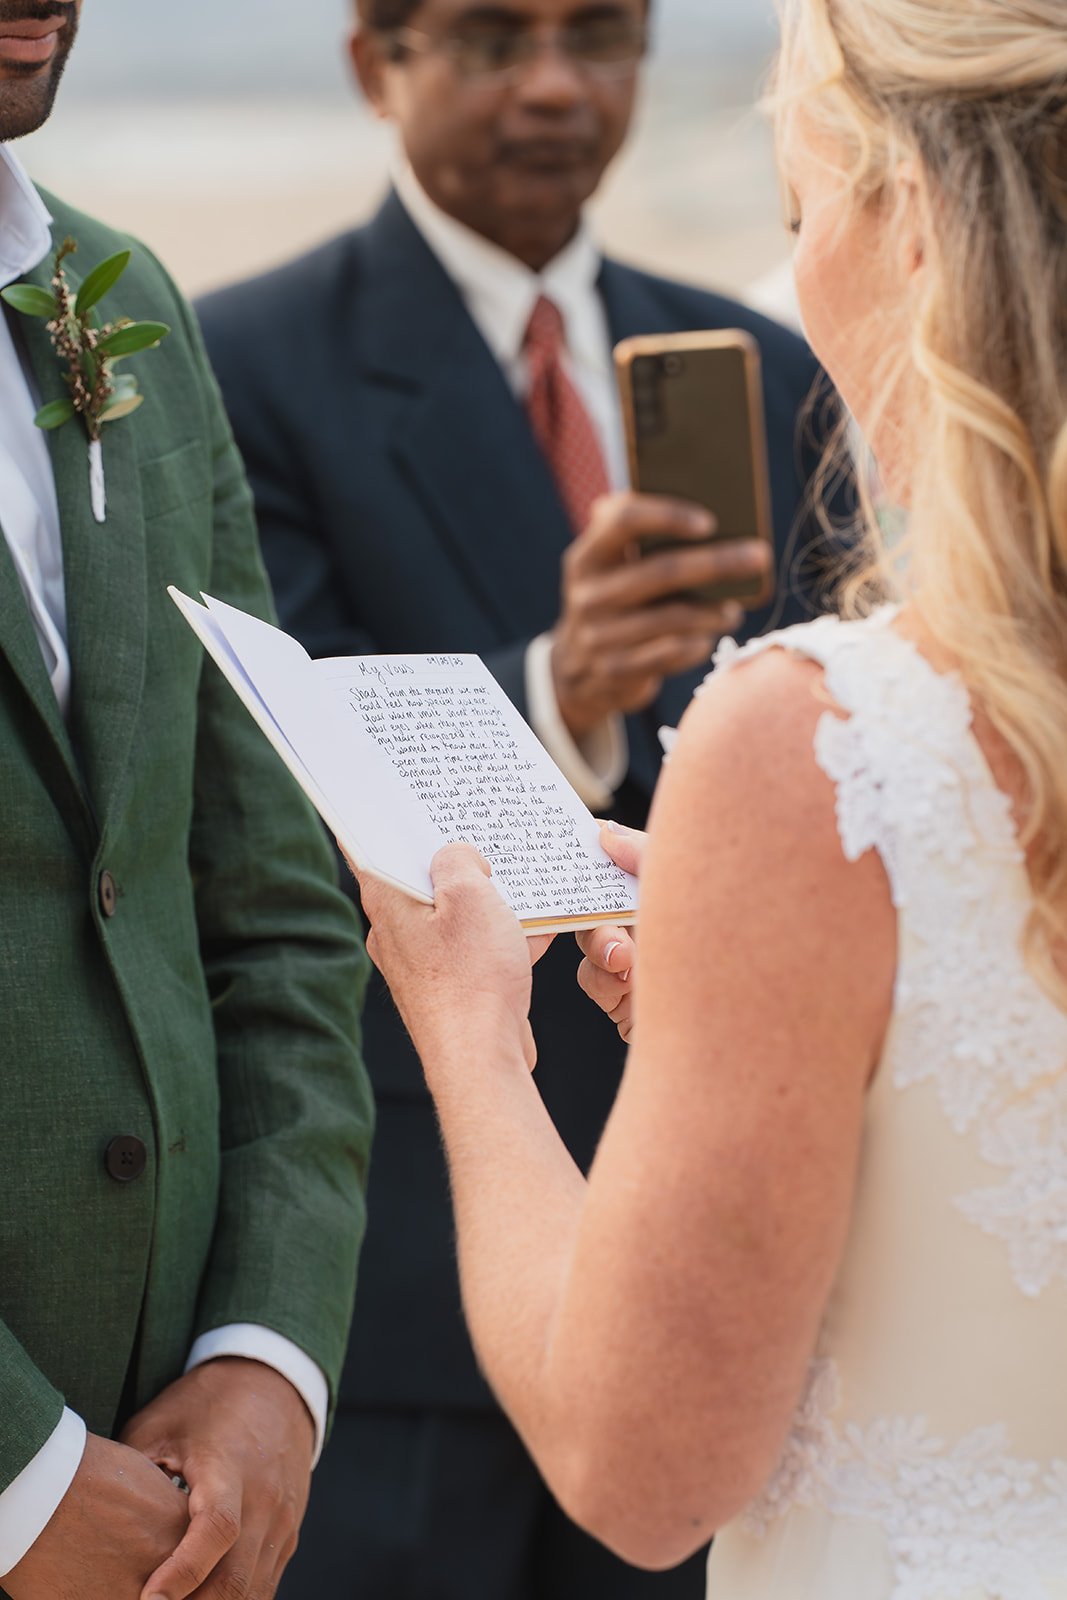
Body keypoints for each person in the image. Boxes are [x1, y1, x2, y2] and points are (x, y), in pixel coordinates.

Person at [351, 0, 1067, 1595]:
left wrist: (470, 1030)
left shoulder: (819, 737)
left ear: (907, 229)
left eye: (803, 215)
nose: (795, 276)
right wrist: (767, 991)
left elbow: (644, 1471)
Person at [197, 1, 840, 1593]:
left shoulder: (766, 362)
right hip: (406, 1270)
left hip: (717, 1240)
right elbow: (272, 794)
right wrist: (564, 687)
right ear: (375, 64)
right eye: (493, 36)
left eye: (600, 33)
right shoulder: (244, 359)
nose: (556, 83)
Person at [0, 5, 374, 1599]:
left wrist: (265, 1357)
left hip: (183, 1512)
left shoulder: (116, 297)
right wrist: (16, 1473)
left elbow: (271, 894)